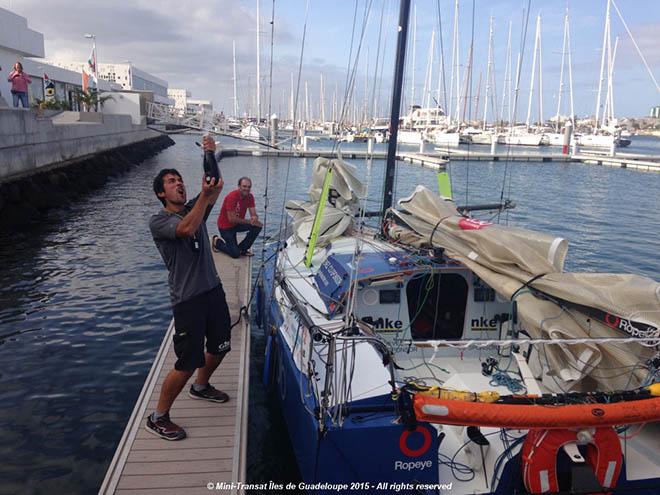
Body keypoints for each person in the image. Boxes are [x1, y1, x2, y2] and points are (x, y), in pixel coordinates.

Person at [147, 136, 232, 441]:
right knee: (186, 362)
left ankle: (201, 386)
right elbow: (186, 229)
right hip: (188, 300)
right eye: (171, 181)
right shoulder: (159, 221)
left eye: (180, 180)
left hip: (213, 290)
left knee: (221, 345)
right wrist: (204, 199)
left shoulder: (194, 208)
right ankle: (158, 417)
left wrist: (209, 154)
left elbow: (216, 184)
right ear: (161, 193)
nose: (178, 184)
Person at [213, 177, 262, 258]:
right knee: (235, 255)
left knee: (258, 226)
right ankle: (217, 242)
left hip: (236, 225)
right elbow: (231, 219)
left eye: (249, 187)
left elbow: (253, 213)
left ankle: (243, 249)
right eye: (244, 186)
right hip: (225, 227)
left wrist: (254, 218)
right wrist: (250, 221)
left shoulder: (250, 197)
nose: (247, 189)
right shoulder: (232, 197)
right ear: (239, 186)